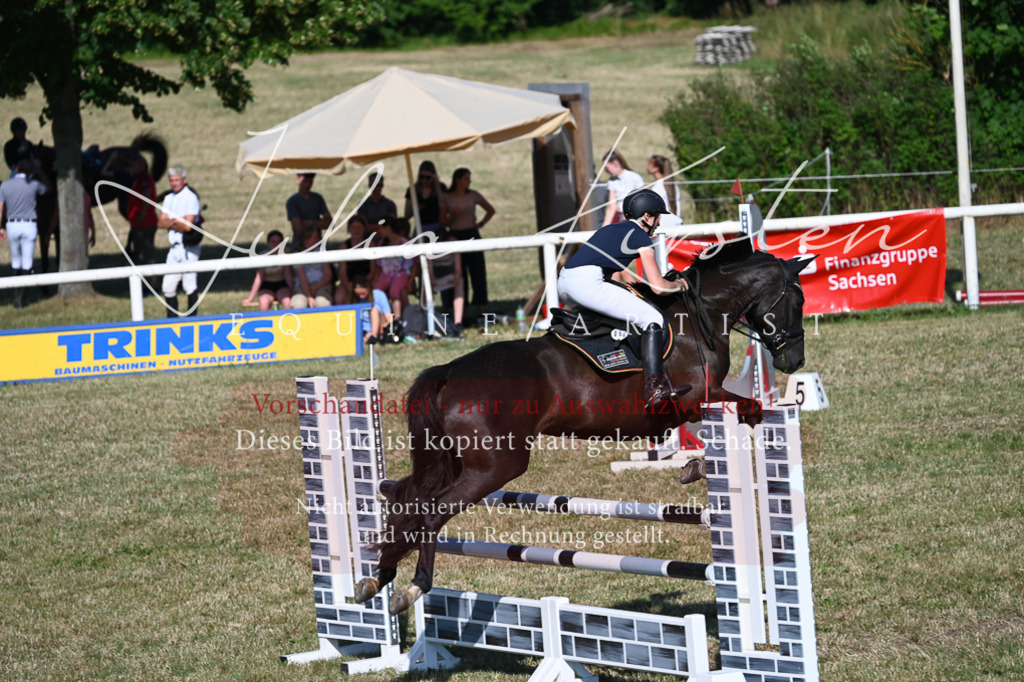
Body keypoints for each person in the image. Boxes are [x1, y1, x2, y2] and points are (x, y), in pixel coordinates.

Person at [557, 189, 687, 408]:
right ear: (646, 216)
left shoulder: (612, 229)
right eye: (657, 217)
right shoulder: (639, 235)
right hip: (587, 283)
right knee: (652, 319)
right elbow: (658, 287)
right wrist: (679, 285)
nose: (658, 224)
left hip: (565, 282)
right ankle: (655, 387)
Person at [440, 167, 495, 318]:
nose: (469, 181)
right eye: (466, 178)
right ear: (457, 180)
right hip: (455, 236)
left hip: (472, 234)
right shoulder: (447, 198)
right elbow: (442, 221)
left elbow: (490, 210)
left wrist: (481, 224)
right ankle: (461, 311)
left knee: (478, 272)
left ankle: (481, 309)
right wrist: (453, 215)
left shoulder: (474, 195)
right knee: (459, 274)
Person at [0, 158, 51, 308]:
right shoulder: (34, 184)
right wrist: (40, 170)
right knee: (27, 262)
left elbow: (1, 207)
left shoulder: (5, 185)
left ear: (16, 170)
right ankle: (21, 299)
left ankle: (16, 296)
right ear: (29, 172)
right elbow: (49, 187)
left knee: (16, 261)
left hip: (12, 225)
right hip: (28, 224)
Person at [157, 165, 202, 316]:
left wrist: (172, 220)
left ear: (184, 180)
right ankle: (171, 320)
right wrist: (178, 221)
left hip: (189, 247)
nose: (174, 183)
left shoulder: (190, 197)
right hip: (174, 247)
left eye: (176, 180)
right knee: (168, 286)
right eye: (171, 180)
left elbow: (188, 226)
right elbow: (160, 223)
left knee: (190, 284)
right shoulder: (169, 198)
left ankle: (192, 319)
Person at [373, 216, 416, 319]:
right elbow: (379, 264)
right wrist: (376, 277)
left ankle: (397, 319)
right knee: (376, 290)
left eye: (380, 228)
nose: (378, 231)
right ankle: (383, 317)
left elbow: (413, 264)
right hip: (386, 274)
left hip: (402, 273)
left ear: (387, 228)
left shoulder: (404, 243)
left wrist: (410, 281)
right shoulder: (382, 244)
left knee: (394, 290)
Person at [242, 230, 293, 310]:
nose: (276, 244)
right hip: (267, 286)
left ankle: (286, 321)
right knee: (264, 302)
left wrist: (293, 291)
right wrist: (250, 298)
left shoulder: (286, 254)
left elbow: (288, 274)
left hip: (282, 285)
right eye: (273, 242)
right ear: (268, 243)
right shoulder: (263, 256)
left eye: (279, 241)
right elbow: (259, 278)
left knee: (287, 301)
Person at [427, 226, 465, 336]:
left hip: (449, 272)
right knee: (426, 285)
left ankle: (458, 322)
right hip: (436, 271)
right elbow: (429, 267)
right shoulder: (429, 244)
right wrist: (432, 277)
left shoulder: (454, 242)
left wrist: (455, 276)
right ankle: (429, 321)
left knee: (460, 282)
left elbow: (458, 270)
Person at [334, 214, 377, 306]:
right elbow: (342, 273)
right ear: (349, 229)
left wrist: (363, 285)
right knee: (339, 297)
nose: (357, 230)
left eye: (359, 227)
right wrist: (349, 286)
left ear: (364, 228)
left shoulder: (371, 246)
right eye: (354, 228)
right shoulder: (343, 248)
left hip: (368, 281)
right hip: (349, 283)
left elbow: (373, 270)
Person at [286, 172, 331, 249]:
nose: (308, 184)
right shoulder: (292, 201)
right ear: (297, 180)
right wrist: (318, 223)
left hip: (318, 245)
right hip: (300, 246)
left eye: (311, 181)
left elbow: (330, 223)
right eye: (305, 181)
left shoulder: (317, 198)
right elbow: (299, 229)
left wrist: (310, 223)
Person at [291, 230, 334, 308]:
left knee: (322, 302)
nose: (318, 239)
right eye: (315, 238)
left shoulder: (321, 252)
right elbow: (302, 278)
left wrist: (316, 286)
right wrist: (309, 297)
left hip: (322, 285)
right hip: (302, 287)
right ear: (306, 240)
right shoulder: (297, 255)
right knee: (298, 304)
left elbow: (328, 274)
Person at [601, 150, 645, 226]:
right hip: (619, 217)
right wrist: (604, 227)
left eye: (607, 168)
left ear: (615, 163)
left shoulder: (634, 177)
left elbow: (644, 200)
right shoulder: (612, 181)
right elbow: (611, 206)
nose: (606, 171)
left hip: (635, 218)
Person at [404, 160, 445, 234]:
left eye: (428, 177)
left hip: (437, 227)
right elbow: (407, 215)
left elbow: (444, 204)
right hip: (420, 227)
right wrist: (416, 209)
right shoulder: (413, 190)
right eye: (422, 177)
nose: (424, 180)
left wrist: (437, 185)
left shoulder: (441, 187)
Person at [352, 276, 393, 345]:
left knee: (374, 309)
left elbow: (389, 319)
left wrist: (372, 332)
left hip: (380, 326)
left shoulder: (378, 294)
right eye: (358, 295)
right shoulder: (354, 300)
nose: (361, 297)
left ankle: (373, 336)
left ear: (368, 288)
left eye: (363, 293)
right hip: (362, 330)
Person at [647, 155, 683, 229]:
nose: (647, 166)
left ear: (656, 168)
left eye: (649, 164)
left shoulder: (657, 187)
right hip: (676, 224)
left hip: (664, 227)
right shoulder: (673, 185)